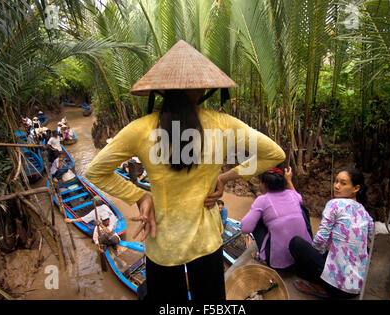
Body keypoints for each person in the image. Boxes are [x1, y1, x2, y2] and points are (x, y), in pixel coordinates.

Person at [84, 40, 286, 301]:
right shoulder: (223, 124)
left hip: (163, 245)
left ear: (161, 89)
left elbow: (95, 171)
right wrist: (225, 176)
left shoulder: (140, 129)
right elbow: (275, 154)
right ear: (203, 87)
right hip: (207, 244)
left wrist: (140, 196)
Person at [289, 168, 375, 299]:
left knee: (296, 243)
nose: (336, 186)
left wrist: (312, 258)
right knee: (361, 248)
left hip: (336, 288)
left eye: (343, 183)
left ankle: (320, 286)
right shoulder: (365, 212)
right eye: (336, 181)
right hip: (356, 288)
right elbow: (373, 240)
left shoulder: (334, 204)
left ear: (356, 188)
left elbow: (320, 240)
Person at [240, 167, 312, 271]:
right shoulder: (293, 195)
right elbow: (299, 198)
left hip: (280, 264)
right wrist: (289, 180)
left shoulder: (262, 200)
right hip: (304, 257)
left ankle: (264, 256)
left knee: (256, 221)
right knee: (302, 210)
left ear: (264, 184)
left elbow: (245, 228)